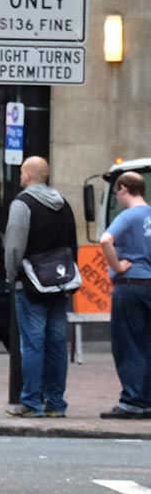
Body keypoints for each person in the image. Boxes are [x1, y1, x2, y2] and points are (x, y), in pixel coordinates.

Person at [3, 155, 77, 418]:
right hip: (60, 281)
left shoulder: (22, 204)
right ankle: (55, 402)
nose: (21, 177)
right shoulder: (63, 204)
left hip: (31, 283)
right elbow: (72, 243)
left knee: (33, 343)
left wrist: (13, 276)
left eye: (23, 172)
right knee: (57, 343)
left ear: (28, 175)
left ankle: (31, 401)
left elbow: (14, 245)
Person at [98, 170, 151, 420]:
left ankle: (131, 401)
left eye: (118, 192)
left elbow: (105, 240)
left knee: (128, 344)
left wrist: (117, 266)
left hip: (130, 285)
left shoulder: (127, 216)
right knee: (148, 344)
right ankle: (147, 399)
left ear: (122, 189)